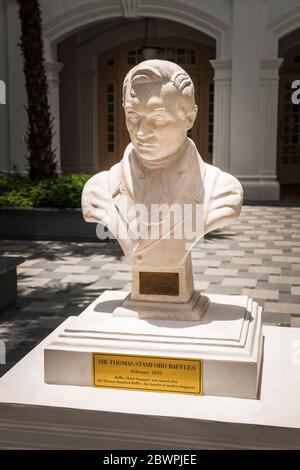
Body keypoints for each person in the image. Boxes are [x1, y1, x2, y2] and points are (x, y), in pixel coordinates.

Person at [82, 60, 243, 294]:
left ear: (190, 117)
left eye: (158, 119)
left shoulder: (222, 191)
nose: (141, 132)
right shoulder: (99, 190)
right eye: (133, 116)